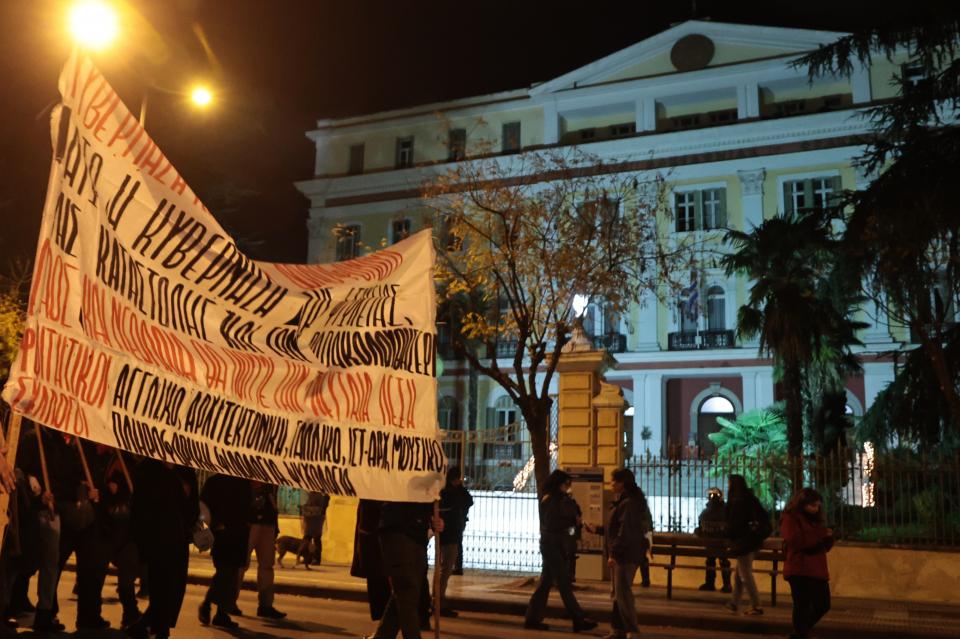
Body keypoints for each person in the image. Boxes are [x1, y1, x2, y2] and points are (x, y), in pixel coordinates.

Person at [125, 460, 199, 639]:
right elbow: (140, 504)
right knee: (160, 584)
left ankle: (149, 624)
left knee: (174, 586)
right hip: (155, 537)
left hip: (178, 538)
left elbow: (192, 506)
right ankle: (160, 628)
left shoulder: (185, 471)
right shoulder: (148, 469)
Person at [524, 470, 598, 633]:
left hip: (558, 544)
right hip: (552, 544)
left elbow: (573, 512)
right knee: (563, 582)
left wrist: (577, 519)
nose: (568, 487)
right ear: (559, 483)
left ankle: (532, 618)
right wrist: (572, 519)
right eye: (566, 484)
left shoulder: (562, 498)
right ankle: (579, 618)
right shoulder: (550, 499)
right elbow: (553, 521)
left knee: (545, 583)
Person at [364, 501, 443, 639]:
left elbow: (427, 500)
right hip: (397, 532)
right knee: (407, 592)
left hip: (418, 535)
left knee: (405, 593)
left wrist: (434, 519)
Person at [592, 468, 651, 639]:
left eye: (613, 481)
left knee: (623, 593)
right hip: (624, 553)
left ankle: (633, 630)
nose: (611, 485)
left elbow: (625, 532)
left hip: (625, 555)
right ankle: (617, 630)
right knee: (618, 595)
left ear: (622, 483)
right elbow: (616, 528)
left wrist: (614, 554)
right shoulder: (625, 501)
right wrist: (599, 530)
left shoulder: (629, 503)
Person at [198, 474, 251, 630]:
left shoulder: (242, 481)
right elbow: (204, 508)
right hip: (223, 532)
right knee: (224, 573)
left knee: (231, 574)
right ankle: (207, 605)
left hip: (238, 533)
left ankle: (221, 613)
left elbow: (246, 506)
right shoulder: (216, 481)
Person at [781, 488, 834, 639]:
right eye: (812, 505)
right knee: (802, 604)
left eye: (818, 506)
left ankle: (800, 633)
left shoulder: (816, 520)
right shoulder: (790, 518)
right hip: (799, 568)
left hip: (817, 569)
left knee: (823, 604)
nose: (815, 509)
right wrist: (821, 535)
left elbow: (824, 546)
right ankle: (800, 633)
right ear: (802, 504)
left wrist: (829, 537)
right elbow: (796, 540)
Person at [102, 449, 141, 627]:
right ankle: (131, 613)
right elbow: (112, 489)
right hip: (123, 528)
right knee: (126, 575)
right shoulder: (119, 462)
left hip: (129, 528)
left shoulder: (133, 463)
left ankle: (131, 613)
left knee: (129, 574)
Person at [725, 474, 769, 616]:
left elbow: (734, 524)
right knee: (739, 574)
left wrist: (729, 535)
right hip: (753, 540)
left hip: (744, 542)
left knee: (745, 575)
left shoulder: (738, 500)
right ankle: (734, 602)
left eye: (729, 483)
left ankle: (756, 604)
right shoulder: (749, 497)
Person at [241, 481, 286, 619]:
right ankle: (228, 603)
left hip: (268, 521)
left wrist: (275, 524)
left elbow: (273, 498)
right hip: (251, 521)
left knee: (267, 565)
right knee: (241, 563)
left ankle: (266, 605)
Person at [436, 466, 473, 617]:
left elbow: (468, 502)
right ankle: (439, 602)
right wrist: (460, 489)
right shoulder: (452, 493)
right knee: (445, 571)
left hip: (448, 534)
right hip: (449, 535)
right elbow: (468, 501)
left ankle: (438, 601)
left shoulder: (445, 491)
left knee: (444, 570)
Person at [351, 499, 390, 621]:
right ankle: (382, 631)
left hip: (378, 551)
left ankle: (382, 631)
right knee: (380, 594)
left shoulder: (376, 497)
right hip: (372, 550)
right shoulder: (369, 498)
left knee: (384, 594)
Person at [695, 487, 732, 593]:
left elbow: (700, 528)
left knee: (710, 561)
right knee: (723, 561)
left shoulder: (706, 512)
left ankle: (710, 583)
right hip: (722, 543)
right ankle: (727, 584)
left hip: (710, 543)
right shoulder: (726, 511)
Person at [299, 490, 330, 568]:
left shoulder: (323, 494)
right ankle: (307, 557)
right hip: (309, 517)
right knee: (306, 538)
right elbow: (307, 502)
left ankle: (316, 558)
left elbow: (325, 503)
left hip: (317, 518)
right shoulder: (309, 493)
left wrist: (321, 508)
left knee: (316, 538)